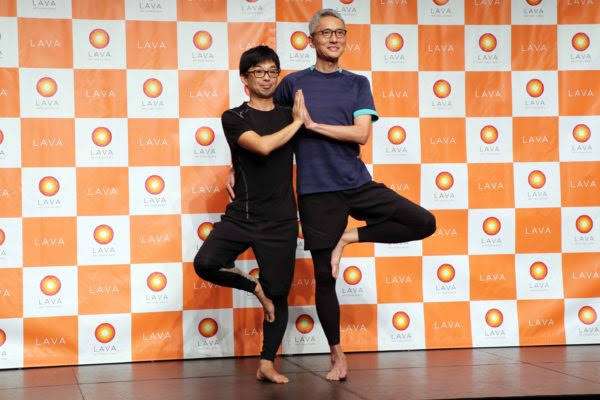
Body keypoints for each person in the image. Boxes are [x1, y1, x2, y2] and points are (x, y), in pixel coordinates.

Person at [273, 9, 437, 381]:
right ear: (311, 39)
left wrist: (311, 125)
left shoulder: (357, 83)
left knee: (424, 222)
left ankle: (347, 237)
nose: (334, 38)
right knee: (325, 277)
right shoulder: (292, 84)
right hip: (316, 191)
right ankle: (338, 357)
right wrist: (238, 165)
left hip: (356, 183)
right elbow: (265, 123)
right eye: (325, 32)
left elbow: (361, 134)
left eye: (340, 32)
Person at [194, 45, 305, 384]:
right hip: (242, 215)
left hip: (281, 219)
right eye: (259, 72)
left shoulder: (288, 114)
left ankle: (267, 363)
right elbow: (261, 146)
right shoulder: (234, 117)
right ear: (245, 79)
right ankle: (255, 288)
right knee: (206, 262)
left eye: (272, 72)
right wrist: (299, 122)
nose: (267, 78)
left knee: (278, 293)